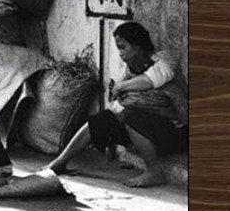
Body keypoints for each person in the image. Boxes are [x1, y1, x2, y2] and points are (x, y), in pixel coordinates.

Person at [44, 21, 188, 187]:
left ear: (138, 47)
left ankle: (154, 172)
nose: (120, 54)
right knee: (102, 119)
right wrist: (117, 101)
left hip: (178, 132)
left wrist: (120, 87)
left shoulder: (165, 60)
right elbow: (118, 106)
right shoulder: (130, 72)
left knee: (131, 115)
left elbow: (152, 80)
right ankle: (59, 162)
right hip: (150, 131)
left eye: (123, 48)